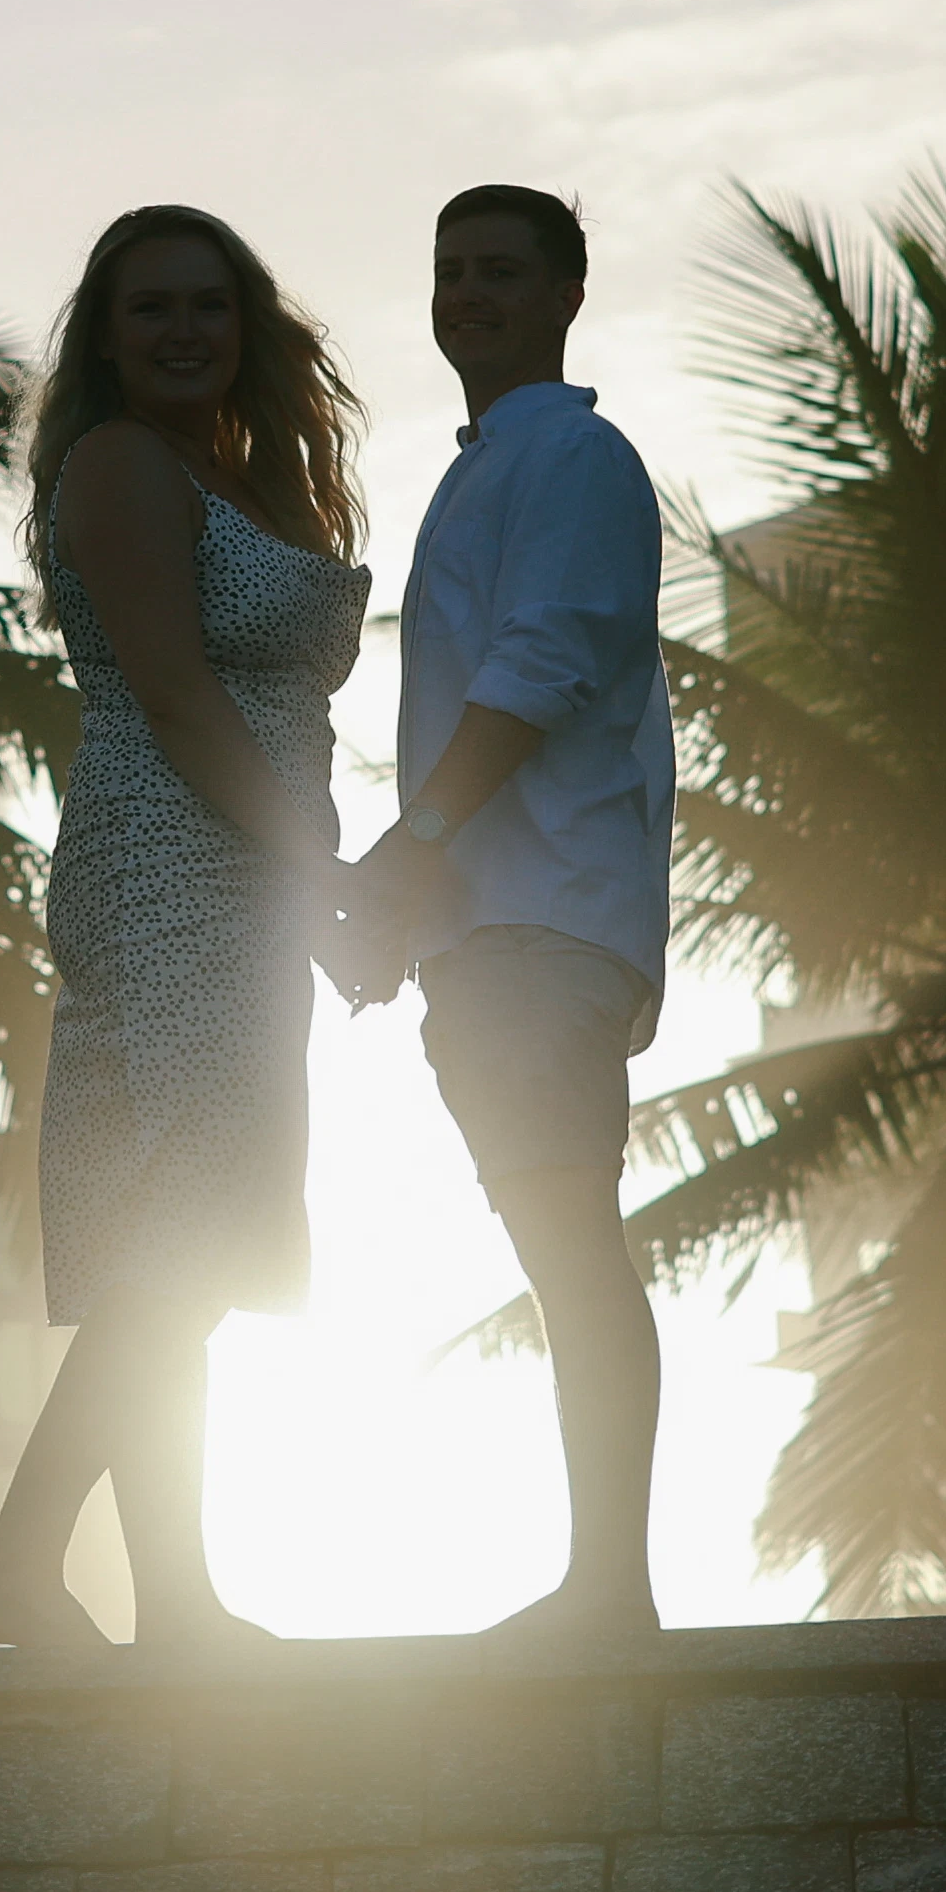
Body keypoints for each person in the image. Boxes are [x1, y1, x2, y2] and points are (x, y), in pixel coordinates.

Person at [0, 203, 369, 1652]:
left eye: (207, 303)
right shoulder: (122, 467)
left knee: (186, 1247)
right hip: (172, 855)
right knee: (177, 1235)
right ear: (107, 340)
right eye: (151, 310)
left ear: (245, 321)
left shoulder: (242, 475)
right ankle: (26, 1564)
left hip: (244, 862)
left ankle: (174, 1600)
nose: (184, 329)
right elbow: (180, 694)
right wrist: (312, 865)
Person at [330, 183, 679, 1642]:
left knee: (567, 1245)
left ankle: (608, 1586)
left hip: (541, 923)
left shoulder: (575, 456)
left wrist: (405, 855)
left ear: (562, 296)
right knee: (556, 1240)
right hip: (497, 933)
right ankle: (603, 1583)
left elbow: (543, 665)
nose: (465, 292)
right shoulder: (487, 469)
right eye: (448, 270)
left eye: (498, 271)